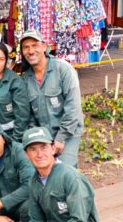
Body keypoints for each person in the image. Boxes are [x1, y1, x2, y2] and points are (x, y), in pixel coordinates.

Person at [8, 126, 100, 222]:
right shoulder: (34, 182)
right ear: (26, 154)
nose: (39, 154)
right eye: (33, 149)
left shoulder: (71, 178)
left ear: (52, 148)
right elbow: (37, 221)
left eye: (43, 147)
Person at [18, 30, 83, 167]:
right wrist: (36, 140)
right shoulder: (25, 79)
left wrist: (60, 138)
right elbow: (28, 116)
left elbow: (73, 108)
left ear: (44, 46)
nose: (30, 51)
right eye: (26, 47)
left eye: (35, 45)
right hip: (43, 136)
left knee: (64, 170)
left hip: (68, 133)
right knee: (39, 171)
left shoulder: (63, 69)